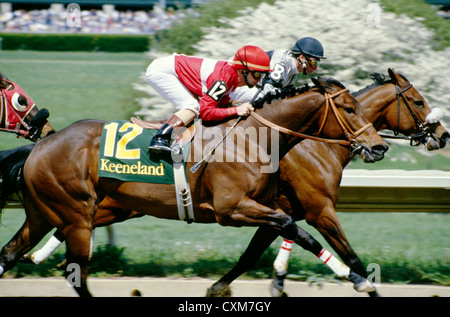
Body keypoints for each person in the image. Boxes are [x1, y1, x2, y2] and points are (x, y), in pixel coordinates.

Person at [146, 45, 272, 153]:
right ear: (243, 70)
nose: (260, 79)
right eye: (257, 74)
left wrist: (231, 106)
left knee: (196, 109)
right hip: (163, 71)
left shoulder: (232, 78)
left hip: (176, 70)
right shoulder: (223, 80)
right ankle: (160, 139)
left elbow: (217, 106)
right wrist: (236, 110)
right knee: (192, 106)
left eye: (263, 75)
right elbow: (206, 112)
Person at [230, 37, 326, 102]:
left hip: (250, 85)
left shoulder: (294, 70)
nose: (315, 67)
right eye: (314, 62)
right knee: (265, 101)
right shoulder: (282, 61)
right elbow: (269, 92)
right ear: (302, 58)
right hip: (236, 80)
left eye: (318, 63)